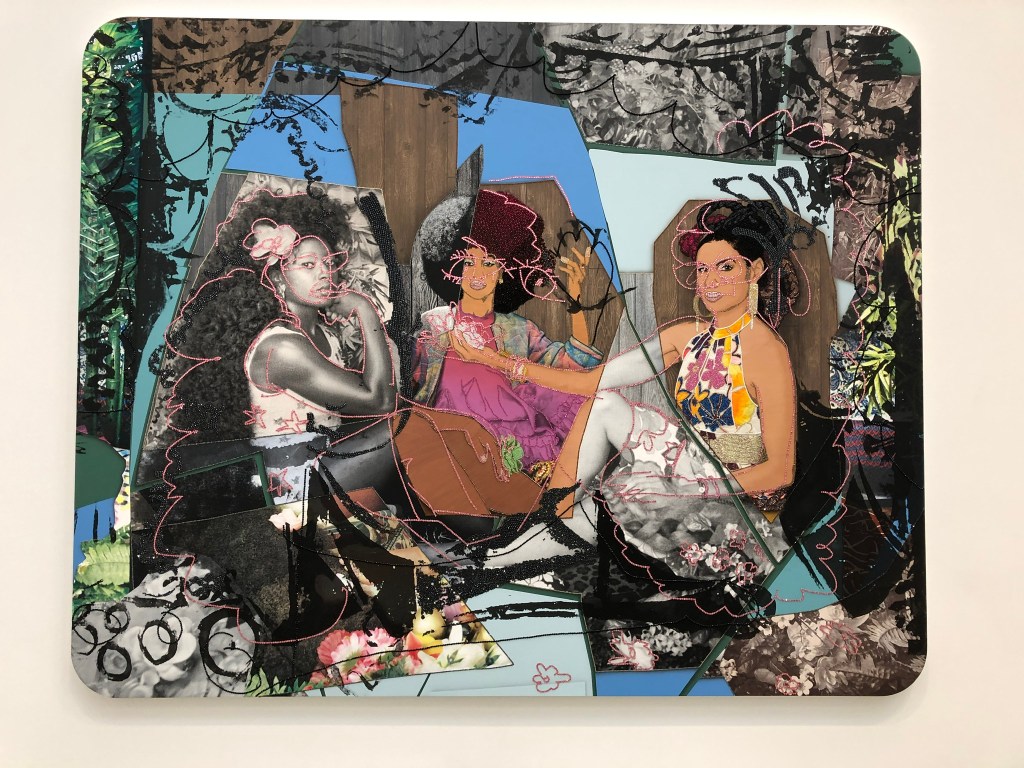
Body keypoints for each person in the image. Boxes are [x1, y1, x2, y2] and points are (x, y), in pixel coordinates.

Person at [449, 200, 804, 597]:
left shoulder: (767, 350)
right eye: (703, 269)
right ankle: (538, 526)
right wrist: (494, 360)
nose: (710, 281)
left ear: (754, 271)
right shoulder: (688, 335)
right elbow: (591, 381)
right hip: (688, 469)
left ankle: (516, 552)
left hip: (735, 503)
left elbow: (780, 471)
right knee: (603, 406)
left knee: (609, 504)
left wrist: (692, 487)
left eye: (725, 268)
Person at [392, 189, 604, 535]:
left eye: (489, 262)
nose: (478, 271)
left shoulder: (518, 329)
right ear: (455, 270)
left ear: (504, 272)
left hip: (517, 444)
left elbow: (572, 367)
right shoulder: (434, 323)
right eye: (469, 261)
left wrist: (576, 302)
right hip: (453, 442)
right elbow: (406, 380)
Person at [168, 187, 399, 502]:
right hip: (290, 492)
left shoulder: (326, 335)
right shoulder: (281, 349)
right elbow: (381, 401)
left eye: (328, 262)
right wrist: (365, 309)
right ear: (277, 280)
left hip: (325, 468)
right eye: (308, 265)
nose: (325, 273)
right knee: (402, 429)